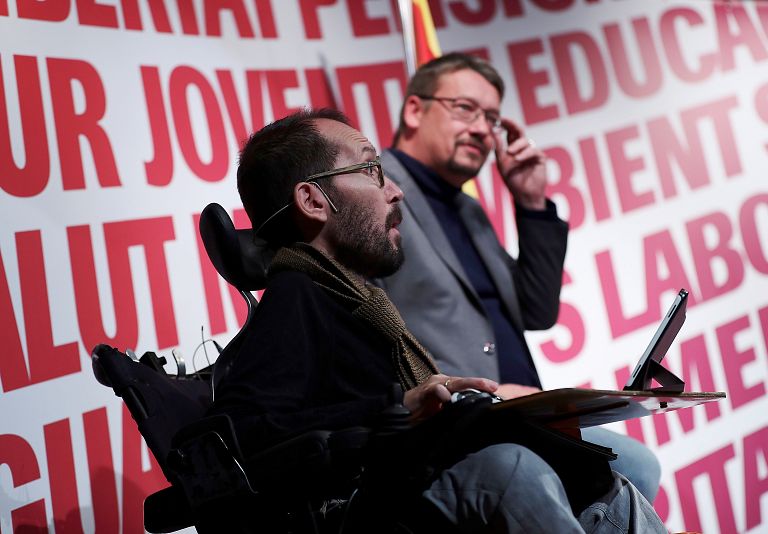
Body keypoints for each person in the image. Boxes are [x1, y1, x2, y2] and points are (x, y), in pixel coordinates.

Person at [207, 108, 667, 533]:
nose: (395, 190)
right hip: (369, 502)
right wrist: (394, 408)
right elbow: (237, 434)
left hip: (416, 463)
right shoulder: (298, 295)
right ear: (313, 200)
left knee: (630, 462)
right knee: (512, 469)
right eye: (371, 171)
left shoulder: (358, 296)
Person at [376, 52, 662, 502]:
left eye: (491, 118)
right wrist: (471, 393)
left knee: (638, 466)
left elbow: (536, 309)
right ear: (415, 109)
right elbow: (364, 331)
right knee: (633, 468)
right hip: (461, 421)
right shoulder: (375, 193)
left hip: (528, 415)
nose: (480, 128)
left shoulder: (466, 208)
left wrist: (530, 203)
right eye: (465, 109)